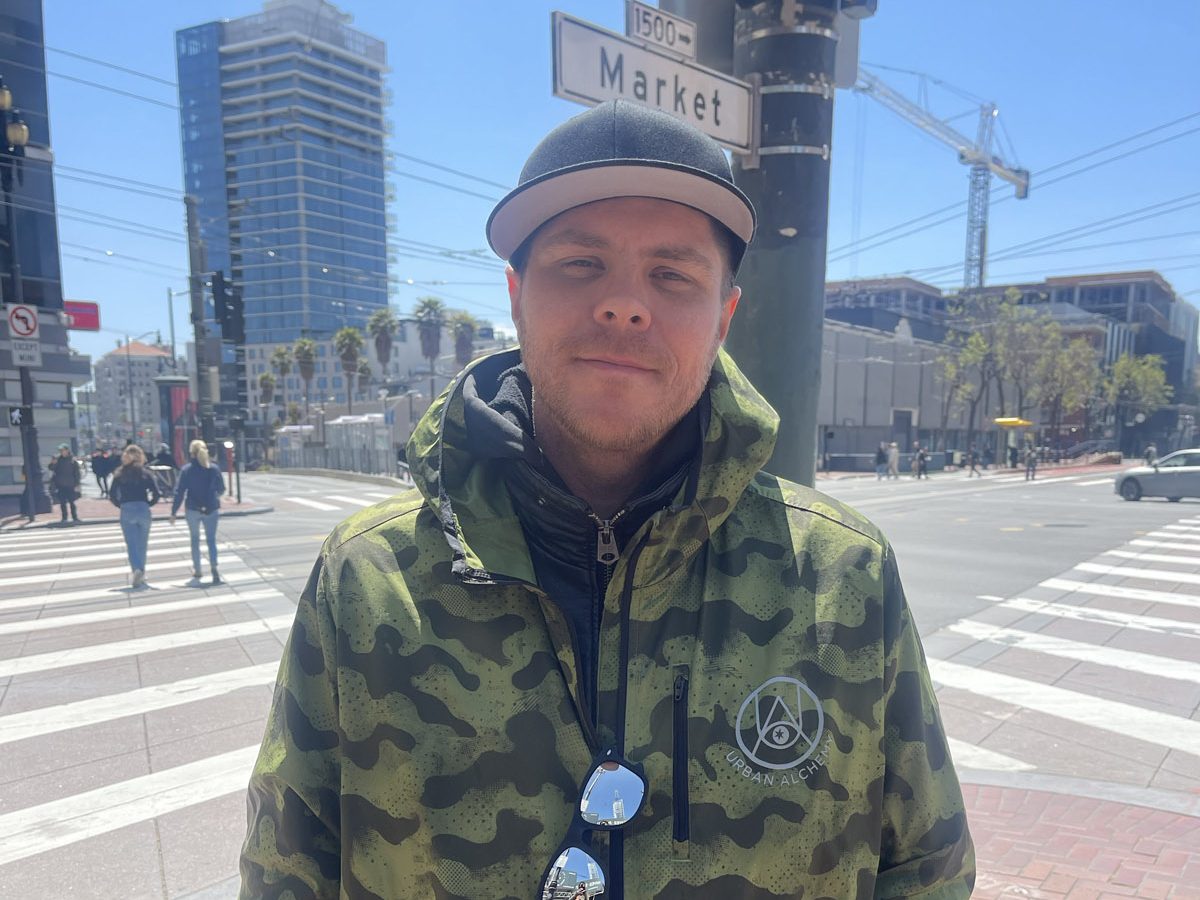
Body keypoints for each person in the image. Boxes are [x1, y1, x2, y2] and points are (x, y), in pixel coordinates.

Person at [239, 101, 974, 899]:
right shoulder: (368, 579)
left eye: (673, 274)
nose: (625, 304)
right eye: (581, 264)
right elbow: (287, 871)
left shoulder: (844, 574)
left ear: (723, 316)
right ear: (517, 295)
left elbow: (926, 867)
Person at [171, 439, 226, 585]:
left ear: (191, 453)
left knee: (195, 540)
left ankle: (198, 569)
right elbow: (221, 489)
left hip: (193, 509)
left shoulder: (186, 470)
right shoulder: (213, 469)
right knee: (211, 540)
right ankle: (214, 567)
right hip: (211, 509)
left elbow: (179, 492)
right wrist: (214, 497)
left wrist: (174, 512)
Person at [109, 444, 160, 588]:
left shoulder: (119, 474)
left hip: (127, 508)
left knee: (131, 544)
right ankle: (141, 572)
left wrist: (121, 504)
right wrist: (148, 503)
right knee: (142, 544)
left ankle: (136, 569)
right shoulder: (146, 473)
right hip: (143, 507)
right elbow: (156, 493)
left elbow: (112, 495)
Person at [48, 443, 82, 523]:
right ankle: (64, 517)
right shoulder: (58, 459)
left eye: (63, 450)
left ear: (67, 451)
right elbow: (51, 468)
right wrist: (53, 463)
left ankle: (75, 517)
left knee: (72, 502)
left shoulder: (72, 460)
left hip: (70, 484)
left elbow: (77, 473)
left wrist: (77, 483)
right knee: (62, 502)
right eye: (60, 450)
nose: (61, 452)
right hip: (60, 485)